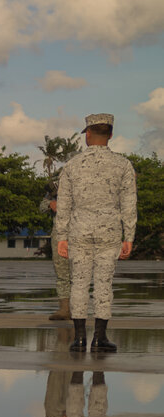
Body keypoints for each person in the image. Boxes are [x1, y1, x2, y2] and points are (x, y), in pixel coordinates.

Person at [56, 113, 138, 353]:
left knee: (78, 283)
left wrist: (62, 236)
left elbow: (63, 204)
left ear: (88, 134)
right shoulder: (123, 165)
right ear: (110, 135)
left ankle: (79, 338)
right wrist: (129, 236)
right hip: (110, 231)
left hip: (79, 230)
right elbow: (129, 203)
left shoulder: (72, 165)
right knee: (104, 283)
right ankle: (100, 338)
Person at [41, 174, 71, 320]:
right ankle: (64, 309)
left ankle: (78, 308)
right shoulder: (55, 188)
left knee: (80, 273)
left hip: (80, 233)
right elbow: (41, 206)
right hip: (59, 234)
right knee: (61, 272)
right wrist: (50, 204)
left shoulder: (83, 184)